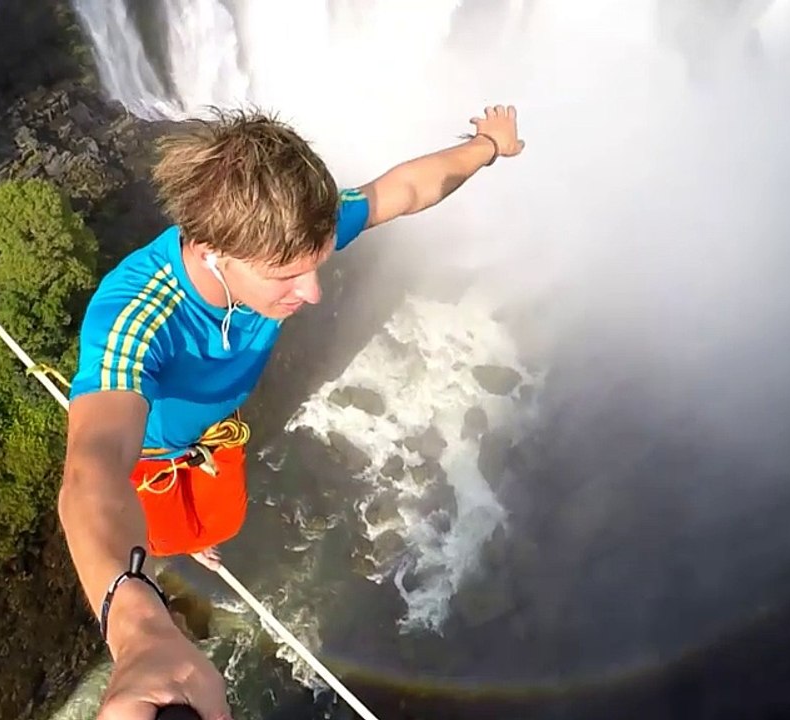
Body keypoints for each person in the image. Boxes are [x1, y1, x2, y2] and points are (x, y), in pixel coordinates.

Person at [57, 104, 525, 720]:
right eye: (288, 276)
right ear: (215, 251)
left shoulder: (285, 232)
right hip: (149, 463)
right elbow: (91, 476)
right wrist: (140, 629)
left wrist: (486, 147)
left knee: (214, 527)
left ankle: (190, 540)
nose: (313, 292)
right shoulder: (137, 318)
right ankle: (172, 552)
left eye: (319, 262)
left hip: (211, 442)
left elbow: (403, 190)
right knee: (159, 536)